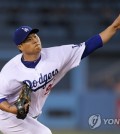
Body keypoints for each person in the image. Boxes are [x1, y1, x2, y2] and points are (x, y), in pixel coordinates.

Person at [0, 14, 120, 134]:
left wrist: (114, 26)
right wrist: (11, 109)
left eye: (35, 36)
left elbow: (89, 46)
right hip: (7, 117)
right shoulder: (10, 70)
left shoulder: (57, 55)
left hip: (30, 117)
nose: (35, 40)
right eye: (29, 39)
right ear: (20, 47)